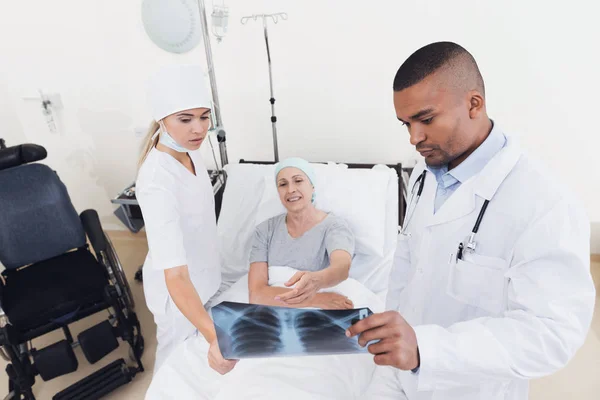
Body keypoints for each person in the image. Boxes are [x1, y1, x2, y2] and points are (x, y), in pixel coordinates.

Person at [347, 42, 596, 399]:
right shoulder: (424, 172)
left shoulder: (545, 203)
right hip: (398, 376)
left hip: (471, 388)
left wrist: (426, 348)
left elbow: (552, 334)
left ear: (474, 104)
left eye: (426, 119)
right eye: (406, 124)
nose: (414, 138)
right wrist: (393, 334)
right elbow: (407, 263)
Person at [136, 64, 236, 376]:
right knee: (174, 369)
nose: (199, 129)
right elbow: (176, 276)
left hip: (205, 280)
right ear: (162, 120)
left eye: (204, 116)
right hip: (178, 296)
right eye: (185, 119)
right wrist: (213, 337)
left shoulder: (191, 152)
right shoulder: (156, 180)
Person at [248, 157, 356, 309]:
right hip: (277, 310)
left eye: (298, 181)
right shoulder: (264, 231)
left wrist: (318, 280)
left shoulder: (334, 227)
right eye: (283, 184)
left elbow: (342, 268)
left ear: (312, 186)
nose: (291, 189)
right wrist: (315, 299)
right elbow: (256, 294)